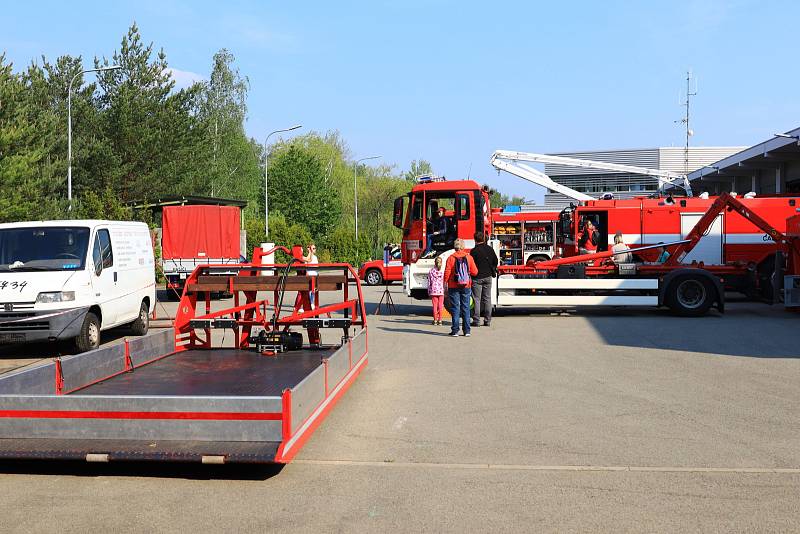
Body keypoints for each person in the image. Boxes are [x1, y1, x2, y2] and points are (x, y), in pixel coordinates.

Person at [443, 239, 478, 337]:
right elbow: (475, 272)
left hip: (453, 286)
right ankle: (467, 331)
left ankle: (455, 331)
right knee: (466, 308)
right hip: (466, 285)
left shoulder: (450, 258)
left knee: (455, 308)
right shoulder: (469, 257)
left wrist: (445, 283)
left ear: (455, 247)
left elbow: (447, 273)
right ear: (463, 247)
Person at [469, 232, 498, 327]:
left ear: (475, 239)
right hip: (488, 277)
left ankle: (476, 321)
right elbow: (496, 261)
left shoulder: (474, 251)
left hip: (477, 277)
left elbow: (471, 265)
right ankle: (487, 320)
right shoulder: (490, 249)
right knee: (487, 298)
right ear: (484, 239)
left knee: (476, 299)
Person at [427, 256, 445, 325]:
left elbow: (429, 282)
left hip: (434, 291)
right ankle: (440, 320)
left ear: (434, 263)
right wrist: (445, 290)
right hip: (441, 291)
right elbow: (444, 282)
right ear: (441, 263)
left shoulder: (431, 271)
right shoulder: (442, 271)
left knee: (435, 306)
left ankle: (435, 320)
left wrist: (429, 290)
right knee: (440, 306)